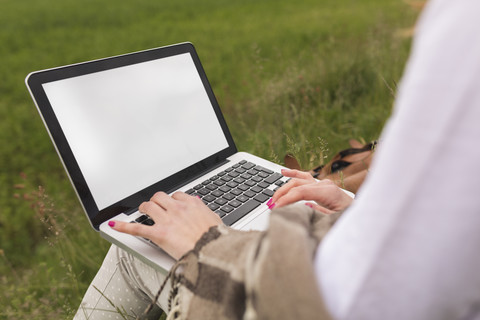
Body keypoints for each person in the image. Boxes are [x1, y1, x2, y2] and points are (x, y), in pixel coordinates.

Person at [75, 0, 480, 319]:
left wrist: (209, 244)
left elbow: (359, 302)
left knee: (135, 248)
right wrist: (354, 210)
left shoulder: (467, 23)